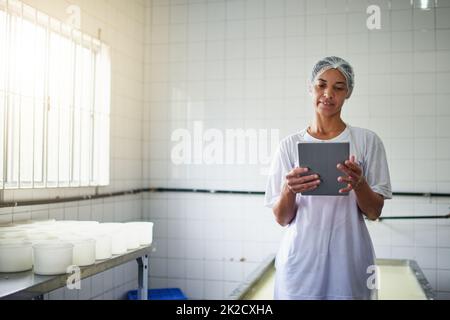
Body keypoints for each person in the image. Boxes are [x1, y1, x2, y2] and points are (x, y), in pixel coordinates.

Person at [264, 56, 392, 300]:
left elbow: (374, 212)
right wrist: (289, 190)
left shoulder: (366, 141)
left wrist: (360, 184)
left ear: (348, 93)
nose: (328, 93)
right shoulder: (290, 146)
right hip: (301, 259)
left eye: (338, 87)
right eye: (321, 85)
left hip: (349, 258)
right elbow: (281, 219)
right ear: (310, 88)